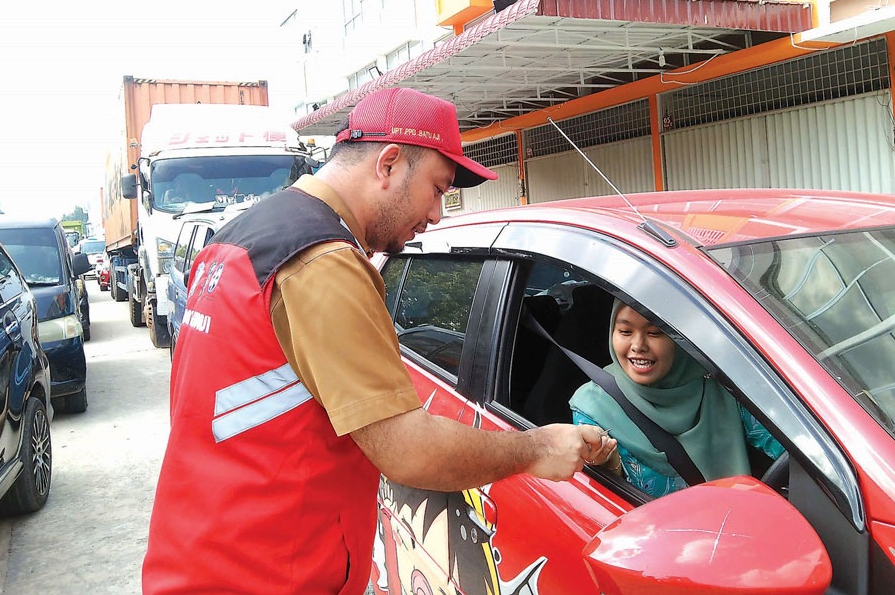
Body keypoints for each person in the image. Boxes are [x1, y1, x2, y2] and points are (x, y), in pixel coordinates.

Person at [141, 87, 615, 595]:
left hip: (201, 555)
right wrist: (536, 447)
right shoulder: (323, 261)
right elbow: (408, 451)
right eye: (438, 188)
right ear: (388, 164)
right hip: (269, 573)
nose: (437, 214)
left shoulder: (240, 237)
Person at [569, 299, 784, 498]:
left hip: (740, 519)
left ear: (680, 337)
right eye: (625, 332)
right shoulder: (594, 407)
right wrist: (608, 462)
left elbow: (787, 448)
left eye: (655, 333)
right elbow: (604, 498)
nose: (638, 345)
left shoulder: (721, 387)